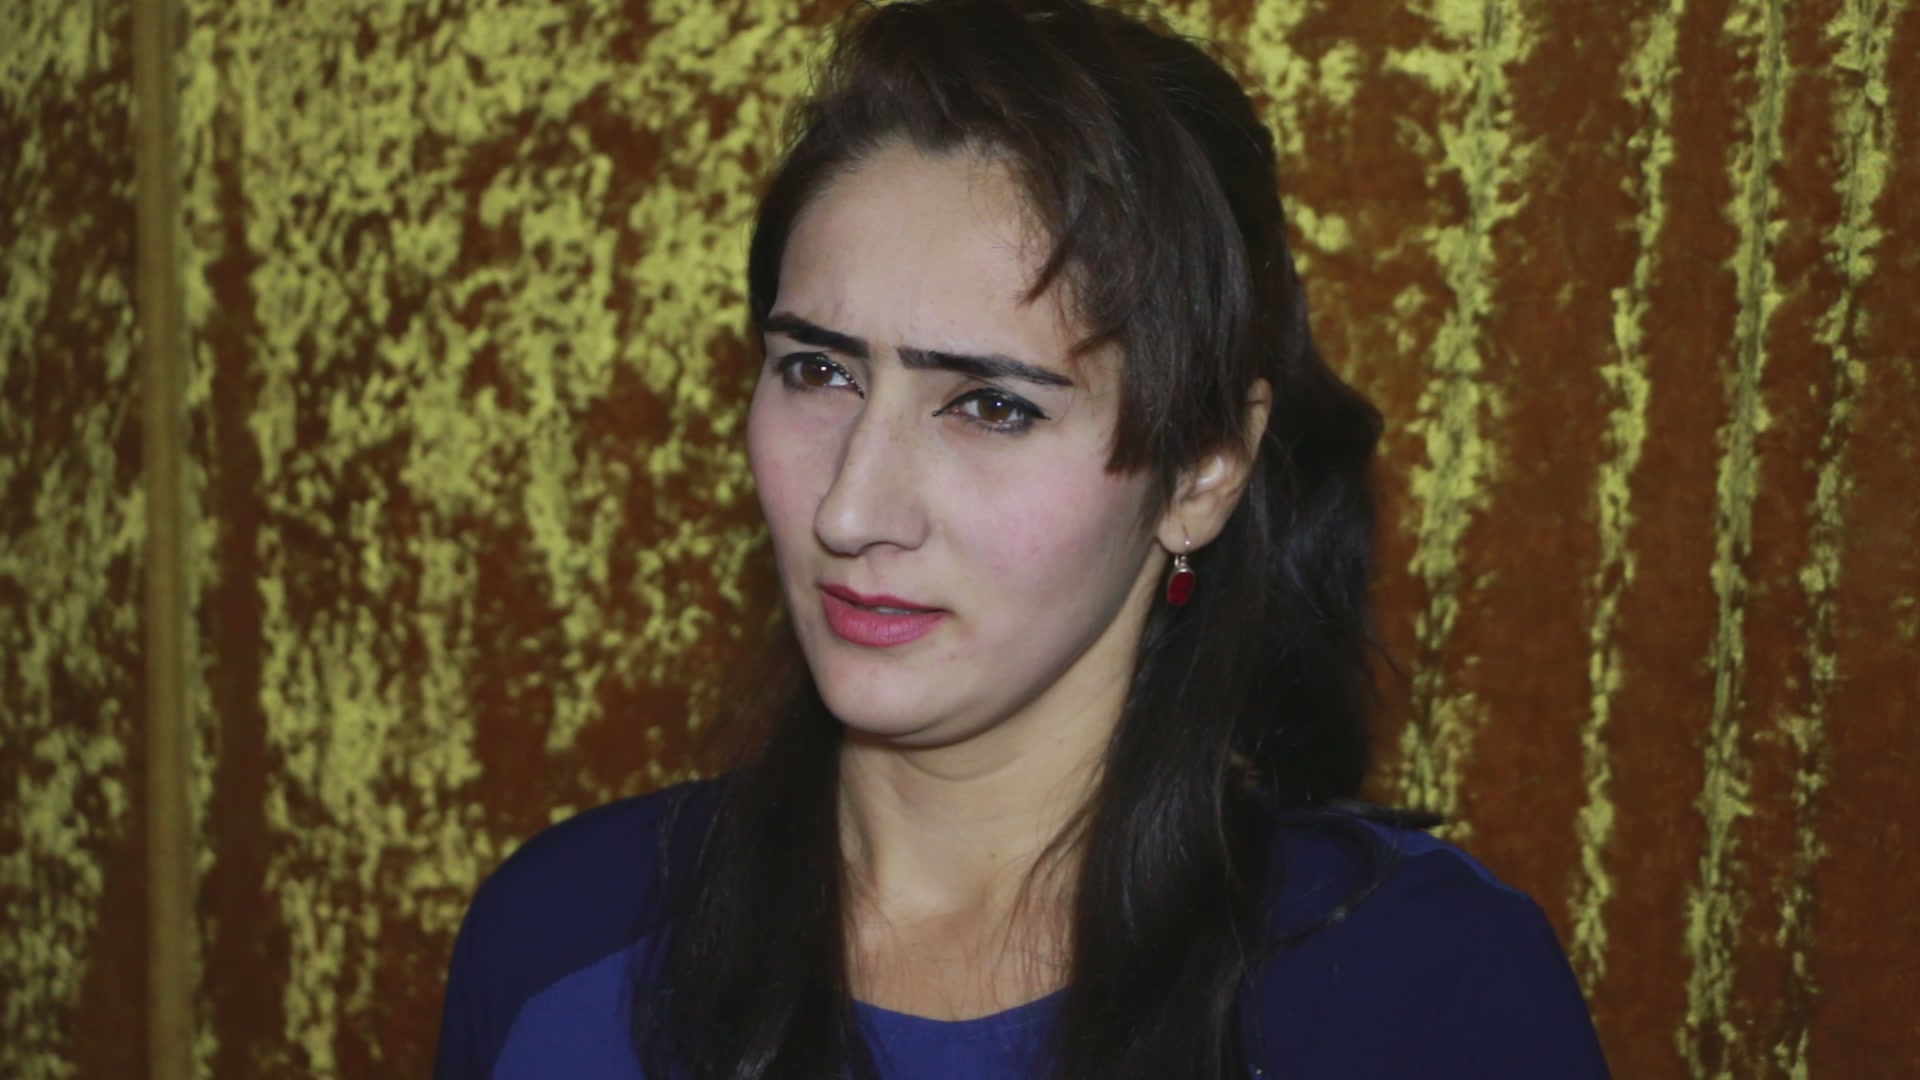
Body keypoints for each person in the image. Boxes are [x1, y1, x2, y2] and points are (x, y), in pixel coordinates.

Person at [434, 0, 1611, 1076]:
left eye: (992, 406)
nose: (851, 509)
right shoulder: (562, 938)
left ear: (1203, 471)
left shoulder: (1422, 992)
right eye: (818, 372)